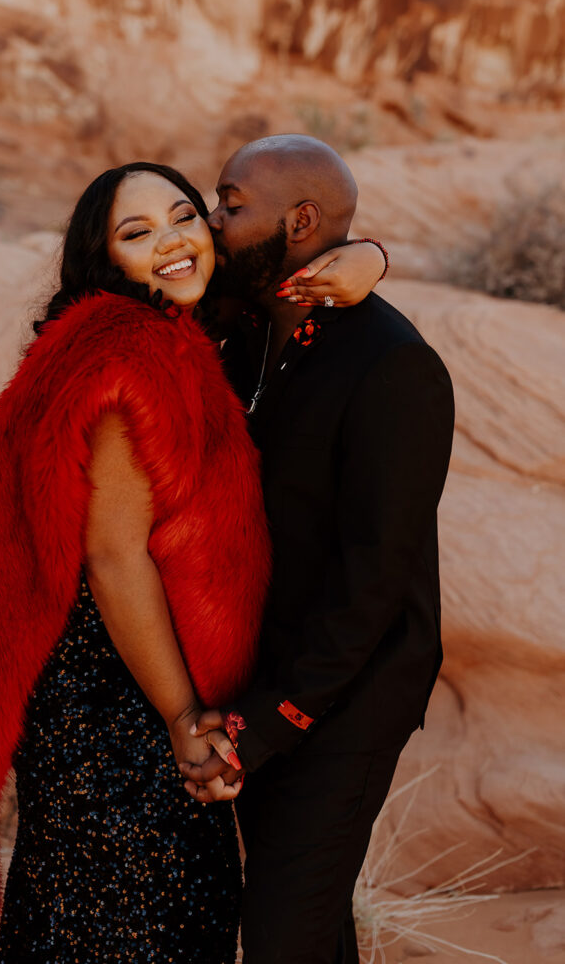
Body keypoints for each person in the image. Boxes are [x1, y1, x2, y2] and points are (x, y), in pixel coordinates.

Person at [0, 159, 386, 964]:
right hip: (116, 702)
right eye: (137, 233)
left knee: (87, 916)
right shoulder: (134, 355)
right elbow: (114, 556)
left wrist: (367, 254)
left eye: (184, 216)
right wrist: (178, 721)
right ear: (107, 261)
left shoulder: (168, 329)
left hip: (103, 688)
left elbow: (301, 256)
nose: (170, 241)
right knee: (146, 919)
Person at [180, 135, 456, 964]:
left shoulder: (393, 367)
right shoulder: (238, 334)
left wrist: (266, 726)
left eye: (230, 204)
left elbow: (373, 583)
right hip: (255, 672)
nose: (210, 220)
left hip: (346, 697)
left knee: (279, 938)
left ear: (299, 220)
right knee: (303, 924)